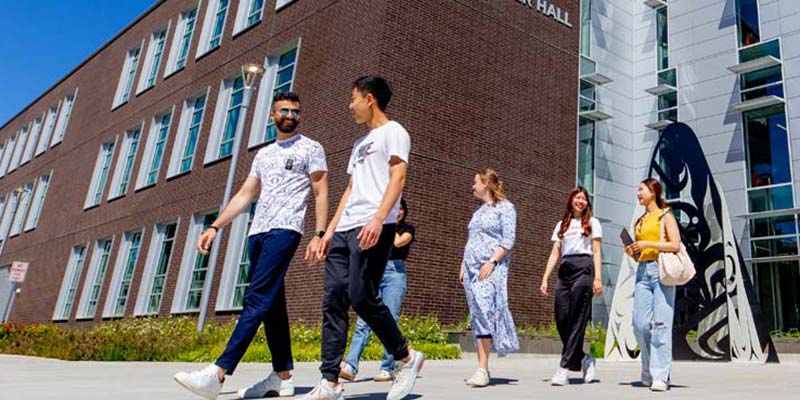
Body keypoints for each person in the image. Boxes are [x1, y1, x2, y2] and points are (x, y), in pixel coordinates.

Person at [173, 92, 329, 400]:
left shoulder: (311, 148)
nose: (290, 115)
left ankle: (218, 373)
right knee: (271, 304)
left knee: (256, 297)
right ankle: (282, 375)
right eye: (283, 110)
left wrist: (319, 233)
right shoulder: (263, 154)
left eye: (295, 111)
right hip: (257, 231)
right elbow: (246, 194)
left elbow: (320, 190)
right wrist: (216, 226)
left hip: (286, 229)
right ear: (272, 116)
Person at [302, 76, 424, 400]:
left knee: (361, 296)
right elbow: (351, 190)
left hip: (373, 226)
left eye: (352, 98)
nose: (349, 105)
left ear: (369, 98)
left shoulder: (394, 132)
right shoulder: (359, 144)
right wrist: (326, 232)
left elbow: (398, 178)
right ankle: (329, 381)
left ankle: (406, 358)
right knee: (333, 300)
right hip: (344, 230)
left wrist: (378, 219)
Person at [339, 198, 415, 382]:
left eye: (400, 210)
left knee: (390, 317)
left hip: (395, 274)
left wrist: (387, 225)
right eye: (395, 209)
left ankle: (387, 367)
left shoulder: (407, 229)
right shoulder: (380, 226)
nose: (398, 213)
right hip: (376, 270)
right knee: (363, 318)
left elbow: (397, 243)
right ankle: (350, 365)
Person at [459, 168, 519, 388]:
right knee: (477, 314)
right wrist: (463, 266)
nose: (472, 186)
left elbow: (508, 240)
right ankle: (482, 366)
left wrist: (492, 261)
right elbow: (472, 239)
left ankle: (482, 369)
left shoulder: (505, 208)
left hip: (491, 268)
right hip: (471, 269)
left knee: (485, 309)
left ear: (486, 184)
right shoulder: (477, 210)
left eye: (475, 182)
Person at [539, 186, 603, 386]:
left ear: (587, 203)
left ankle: (563, 368)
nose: (581, 201)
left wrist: (598, 278)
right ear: (571, 201)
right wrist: (545, 278)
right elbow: (555, 252)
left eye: (584, 198)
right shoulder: (561, 225)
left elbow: (597, 251)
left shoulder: (593, 223)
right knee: (562, 318)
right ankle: (584, 359)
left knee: (577, 319)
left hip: (584, 268)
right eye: (577, 197)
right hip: (565, 270)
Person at [625, 178, 681, 392]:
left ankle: (660, 375)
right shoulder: (639, 221)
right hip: (642, 271)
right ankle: (648, 368)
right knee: (640, 324)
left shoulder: (665, 215)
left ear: (653, 191)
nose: (638, 193)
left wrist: (648, 243)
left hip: (661, 270)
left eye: (641, 189)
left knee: (661, 325)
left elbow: (675, 245)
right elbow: (640, 253)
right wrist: (633, 252)